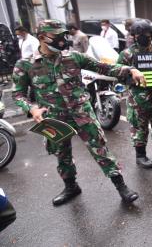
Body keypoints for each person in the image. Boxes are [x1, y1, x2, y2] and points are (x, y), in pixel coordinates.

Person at [12, 19, 143, 206]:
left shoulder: (73, 57)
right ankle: (71, 186)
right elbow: (17, 94)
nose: (62, 40)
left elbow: (104, 67)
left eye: (64, 35)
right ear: (42, 37)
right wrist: (31, 107)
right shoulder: (25, 65)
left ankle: (121, 186)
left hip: (82, 114)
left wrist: (131, 70)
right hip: (54, 119)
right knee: (61, 154)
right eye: (57, 36)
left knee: (100, 150)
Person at [117, 19, 152, 169]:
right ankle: (140, 156)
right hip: (138, 100)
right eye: (142, 34)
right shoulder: (127, 54)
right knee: (140, 128)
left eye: (148, 35)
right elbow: (119, 76)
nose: (146, 37)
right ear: (134, 36)